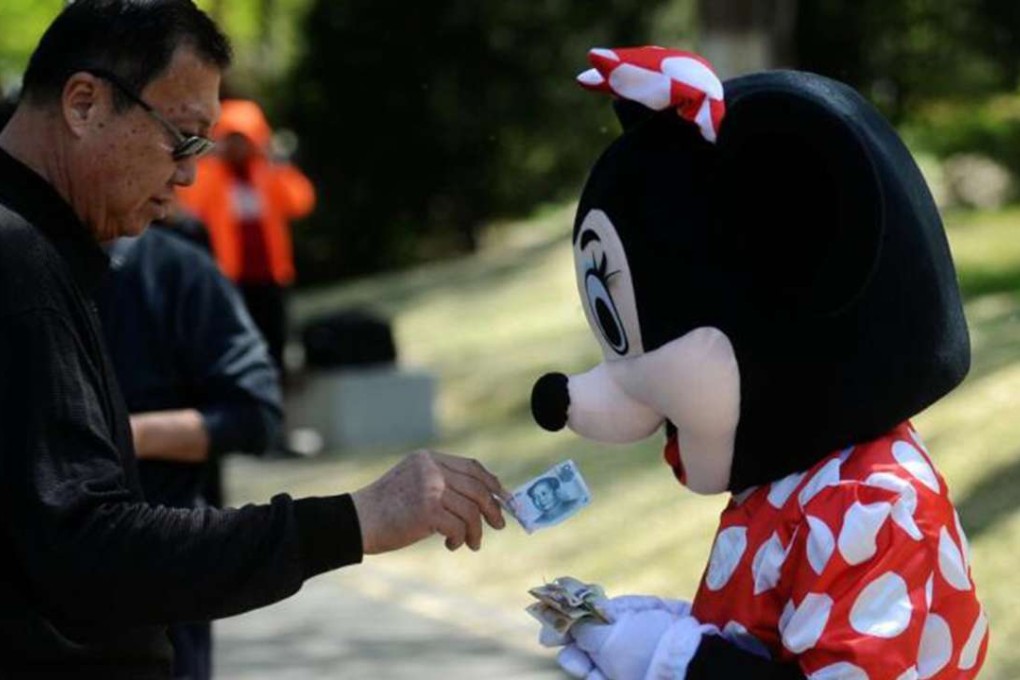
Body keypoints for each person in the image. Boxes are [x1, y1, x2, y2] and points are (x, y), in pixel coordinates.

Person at [0, 2, 506, 676]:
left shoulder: (50, 252)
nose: (186, 177)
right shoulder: (19, 262)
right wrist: (357, 518)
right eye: (181, 139)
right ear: (85, 104)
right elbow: (91, 553)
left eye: (202, 150)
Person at [96, 217, 282, 680]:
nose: (185, 174)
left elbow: (253, 416)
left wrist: (121, 436)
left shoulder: (178, 270)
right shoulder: (25, 258)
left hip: (162, 563)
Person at [177, 98, 313, 376]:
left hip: (271, 275)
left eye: (245, 139)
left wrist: (279, 165)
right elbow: (190, 204)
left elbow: (300, 203)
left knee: (275, 342)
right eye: (232, 139)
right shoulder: (211, 175)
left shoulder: (267, 174)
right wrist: (209, 159)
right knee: (237, 342)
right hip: (231, 277)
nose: (238, 146)